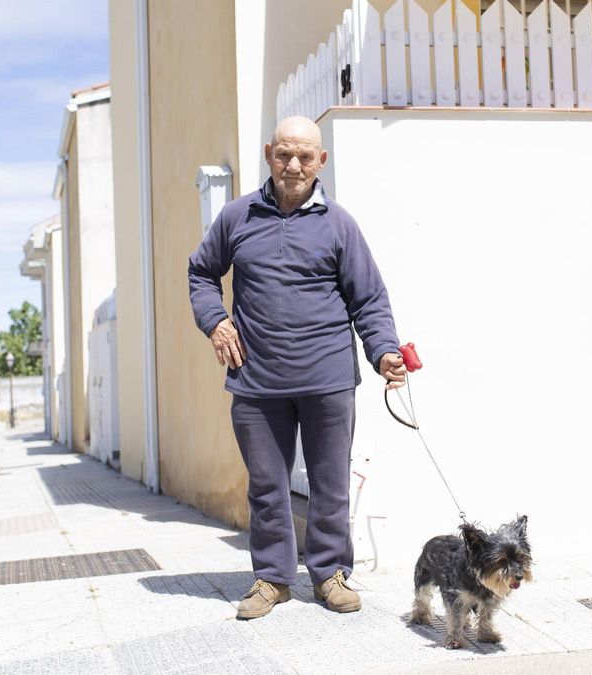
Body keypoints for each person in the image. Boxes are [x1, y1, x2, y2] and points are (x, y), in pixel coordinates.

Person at [188, 116, 407, 620]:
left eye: (305, 156)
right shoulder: (236, 217)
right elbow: (201, 272)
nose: (293, 165)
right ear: (269, 154)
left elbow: (368, 298)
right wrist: (216, 322)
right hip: (257, 380)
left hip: (328, 378)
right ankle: (272, 579)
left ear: (321, 162)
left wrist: (384, 353)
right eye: (284, 154)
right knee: (267, 486)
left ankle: (330, 574)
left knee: (330, 484)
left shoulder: (339, 224)